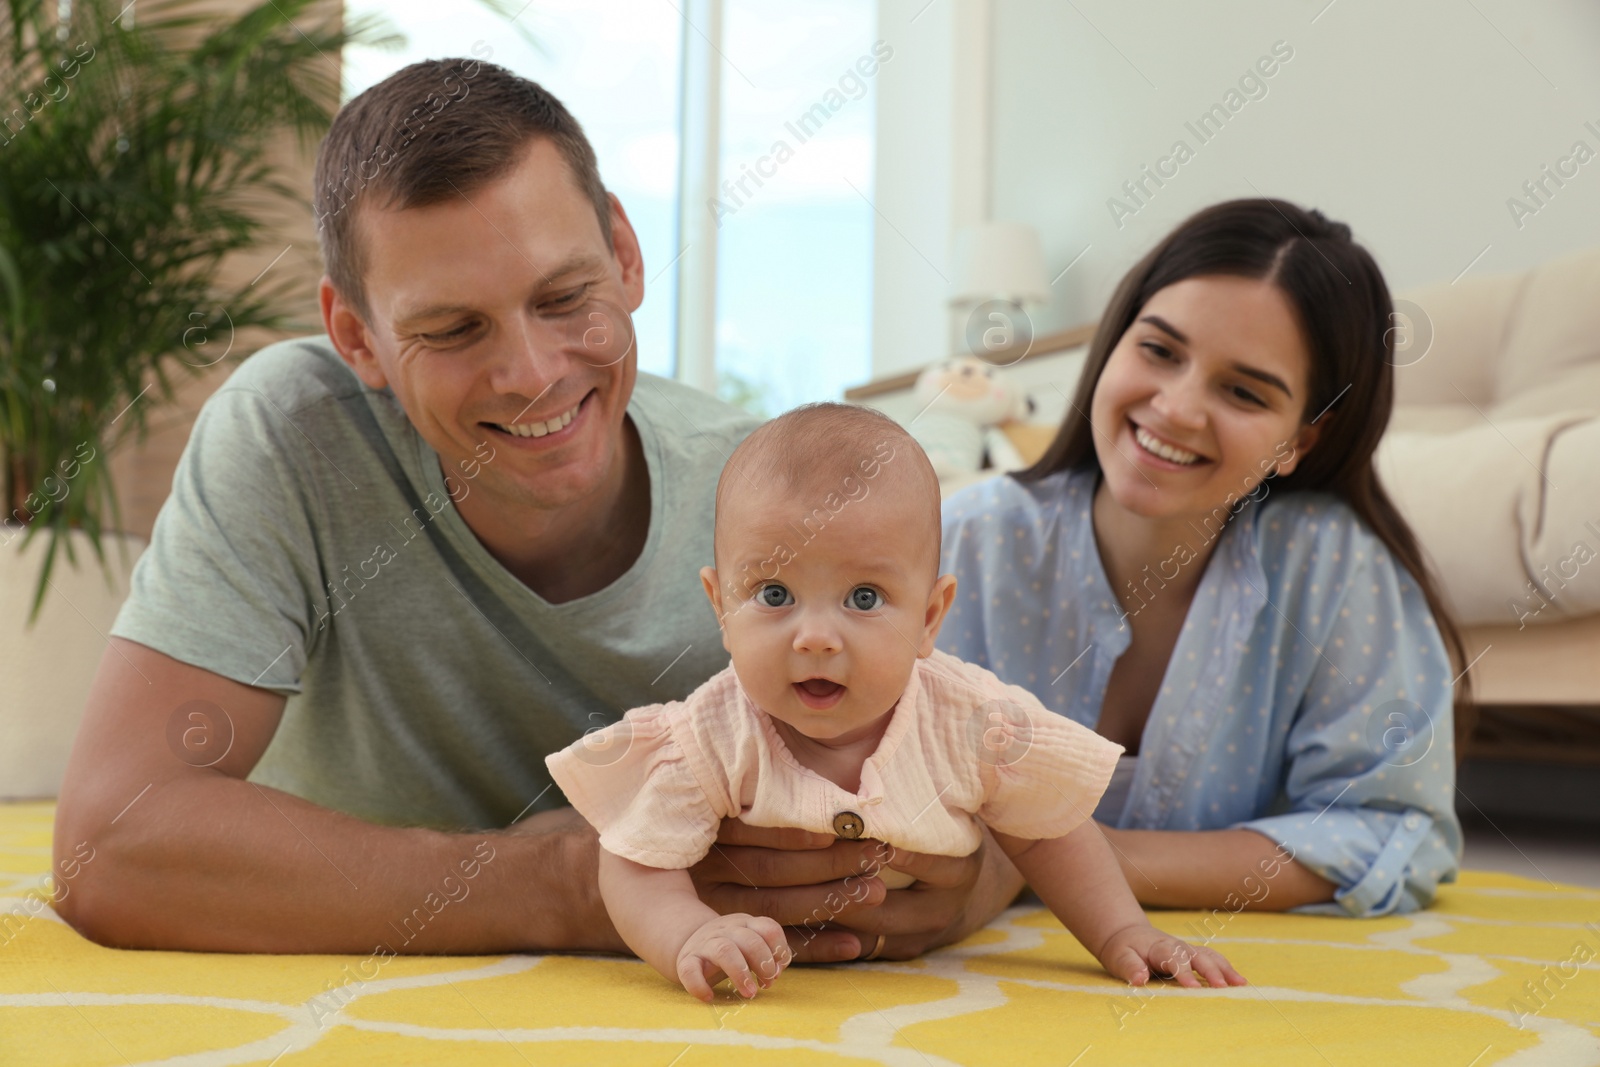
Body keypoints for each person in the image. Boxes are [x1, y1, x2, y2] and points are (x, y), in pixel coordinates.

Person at [51, 59, 1026, 961]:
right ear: (357, 334)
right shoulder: (291, 434)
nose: (530, 375)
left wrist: (970, 875)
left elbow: (976, 779)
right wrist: (571, 886)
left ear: (625, 254)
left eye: (565, 297)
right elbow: (112, 842)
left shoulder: (770, 504)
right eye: (453, 328)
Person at [546, 403, 1247, 1001]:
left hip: (926, 969)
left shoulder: (972, 721)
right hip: (784, 998)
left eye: (864, 598)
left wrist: (1123, 930)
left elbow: (1049, 829)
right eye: (774, 595)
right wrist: (688, 934)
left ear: (930, 616)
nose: (816, 637)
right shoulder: (709, 733)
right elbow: (638, 857)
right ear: (720, 606)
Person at [938, 199, 1471, 918]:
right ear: (1115, 341)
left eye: (1244, 391)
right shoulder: (965, 541)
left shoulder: (1334, 566)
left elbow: (1391, 826)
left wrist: (1071, 860)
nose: (1177, 408)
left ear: (1299, 442)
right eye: (1158, 350)